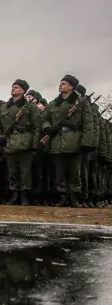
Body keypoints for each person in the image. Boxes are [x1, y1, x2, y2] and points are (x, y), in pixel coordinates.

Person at [42, 75, 94, 207]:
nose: (60, 86)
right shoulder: (54, 103)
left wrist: (86, 142)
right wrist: (47, 127)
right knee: (60, 173)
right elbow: (45, 118)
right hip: (57, 142)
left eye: (64, 83)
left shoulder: (81, 102)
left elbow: (88, 124)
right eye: (60, 83)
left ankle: (75, 198)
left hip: (74, 141)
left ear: (71, 86)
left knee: (74, 173)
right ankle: (62, 197)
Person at [0, 79, 41, 206]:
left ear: (22, 90)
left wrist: (34, 145)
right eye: (13, 87)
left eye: (16, 87)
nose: (13, 89)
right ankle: (14, 195)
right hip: (9, 143)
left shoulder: (30, 106)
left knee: (25, 173)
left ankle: (24, 196)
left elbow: (37, 126)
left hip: (25, 144)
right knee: (12, 172)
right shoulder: (4, 107)